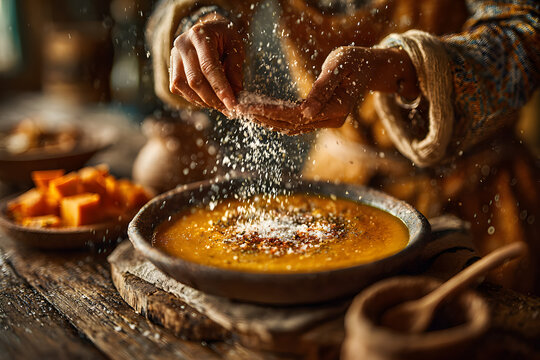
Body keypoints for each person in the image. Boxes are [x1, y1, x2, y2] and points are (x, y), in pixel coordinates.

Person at [147, 0, 539, 293]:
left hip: (485, 197)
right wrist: (202, 19)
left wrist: (395, 68)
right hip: (340, 179)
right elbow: (189, 7)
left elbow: (526, 34)